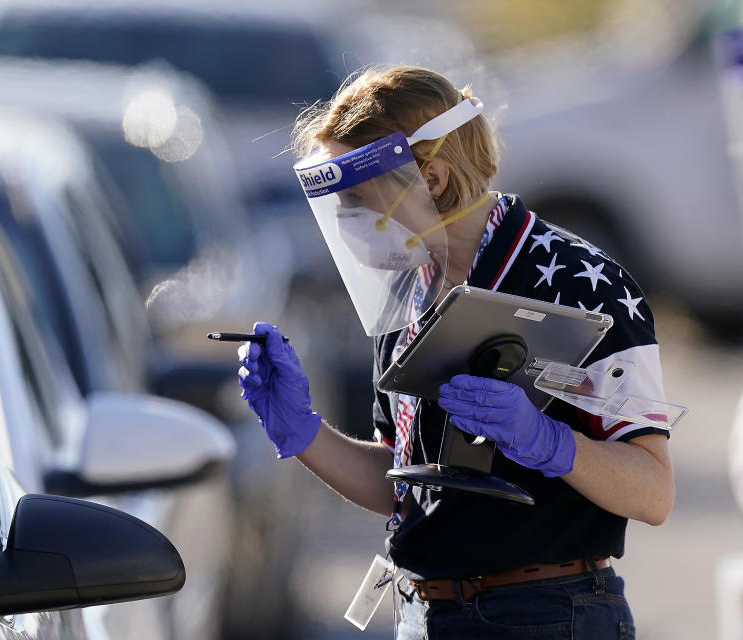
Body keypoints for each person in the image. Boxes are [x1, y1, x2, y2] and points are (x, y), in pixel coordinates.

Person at [236, 66, 673, 639]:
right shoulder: (409, 285)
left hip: (546, 613)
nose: (345, 223)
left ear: (433, 179)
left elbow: (653, 490)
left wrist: (550, 443)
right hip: (423, 609)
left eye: (356, 200)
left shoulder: (578, 281)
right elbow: (404, 484)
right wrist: (301, 431)